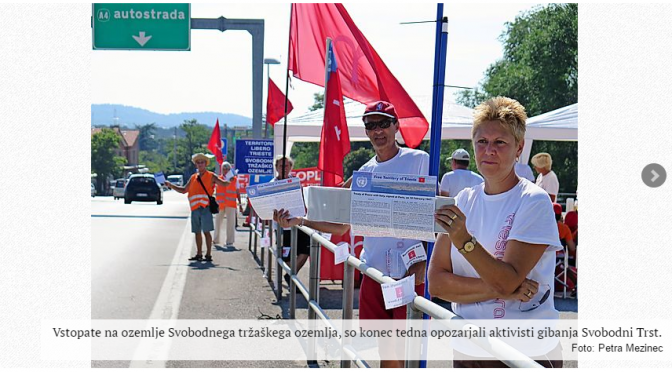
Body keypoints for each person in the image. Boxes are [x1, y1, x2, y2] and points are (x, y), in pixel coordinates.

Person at [274, 100, 428, 368]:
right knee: (385, 349)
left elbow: (439, 210)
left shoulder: (419, 160)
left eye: (383, 124)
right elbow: (341, 225)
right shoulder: (364, 173)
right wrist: (300, 221)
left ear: (396, 126)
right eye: (371, 126)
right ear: (366, 131)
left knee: (405, 352)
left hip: (407, 274)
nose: (378, 131)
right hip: (374, 274)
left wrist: (425, 264)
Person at [428, 97, 563, 368]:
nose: (489, 150)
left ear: (519, 148)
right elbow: (437, 285)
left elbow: (507, 281)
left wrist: (464, 240)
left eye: (500, 142)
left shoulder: (533, 200)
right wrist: (503, 290)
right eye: (482, 142)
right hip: (470, 349)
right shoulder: (464, 200)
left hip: (525, 351)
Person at [165, 153, 231, 262]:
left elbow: (223, 184)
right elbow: (184, 190)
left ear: (206, 164)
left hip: (205, 207)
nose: (200, 164)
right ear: (196, 165)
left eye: (202, 162)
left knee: (206, 231)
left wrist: (230, 178)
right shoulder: (193, 177)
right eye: (198, 162)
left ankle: (208, 254)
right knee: (197, 232)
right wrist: (171, 185)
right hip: (195, 208)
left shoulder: (211, 176)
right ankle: (199, 254)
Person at [271, 155, 312, 287]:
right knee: (285, 255)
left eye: (287, 165)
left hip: (297, 223)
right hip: (282, 226)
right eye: (281, 166)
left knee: (307, 249)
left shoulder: (295, 182)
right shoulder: (272, 184)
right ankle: (292, 277)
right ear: (276, 167)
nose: (284, 168)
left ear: (291, 167)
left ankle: (290, 276)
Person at [214, 162, 243, 246]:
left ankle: (230, 241)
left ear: (230, 169)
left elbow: (238, 192)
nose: (225, 170)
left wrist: (240, 204)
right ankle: (216, 240)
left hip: (231, 204)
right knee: (217, 222)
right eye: (224, 168)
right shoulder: (218, 179)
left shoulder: (234, 179)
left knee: (231, 223)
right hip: (220, 204)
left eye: (227, 169)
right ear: (221, 170)